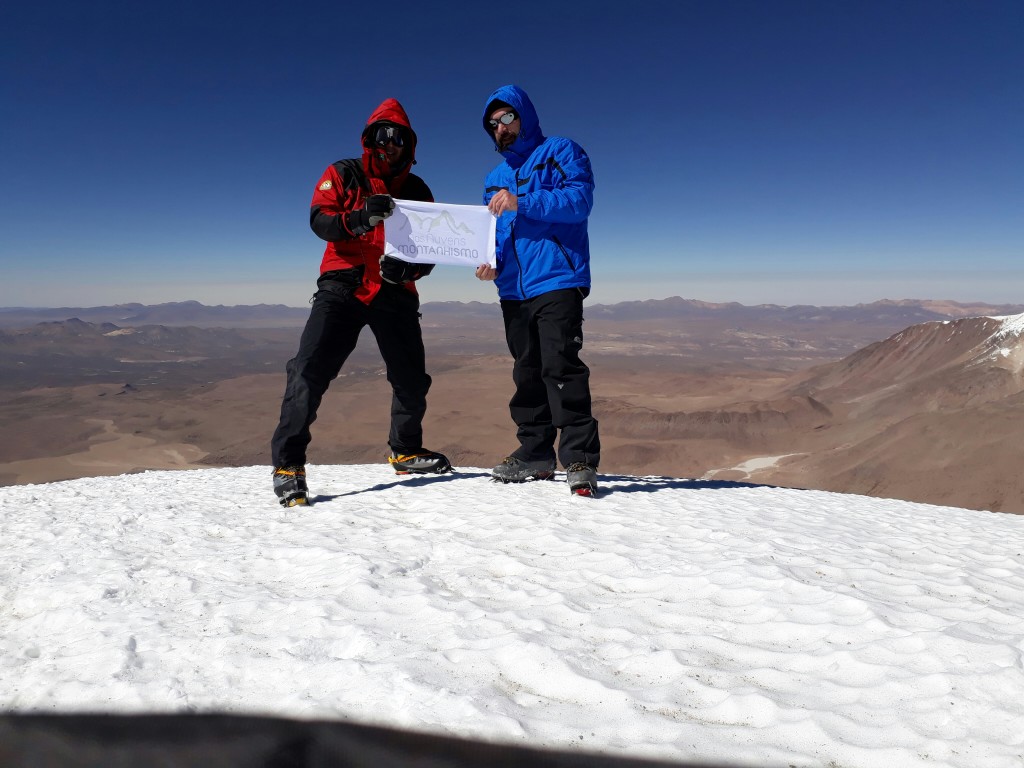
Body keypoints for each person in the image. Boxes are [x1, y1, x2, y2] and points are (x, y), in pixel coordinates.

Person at [270, 98, 451, 507]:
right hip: (344, 283)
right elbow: (320, 219)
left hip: (395, 289)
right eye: (383, 135)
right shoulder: (343, 172)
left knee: (411, 378)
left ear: (411, 144)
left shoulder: (417, 189)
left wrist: (413, 271)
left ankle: (405, 451)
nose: (391, 143)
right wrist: (358, 219)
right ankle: (288, 465)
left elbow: (433, 246)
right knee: (309, 370)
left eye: (400, 137)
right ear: (369, 138)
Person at [474, 84, 601, 496]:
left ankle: (579, 458)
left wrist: (522, 200)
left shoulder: (561, 151)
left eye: (507, 118)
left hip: (557, 279)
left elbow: (578, 200)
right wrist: (491, 262)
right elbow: (493, 232)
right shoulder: (494, 178)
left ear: (524, 116)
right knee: (526, 372)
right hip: (513, 289)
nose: (501, 128)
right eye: (493, 124)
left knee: (560, 366)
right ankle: (535, 454)